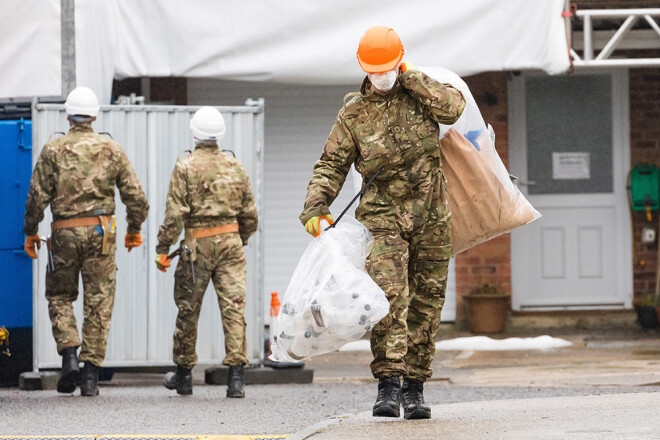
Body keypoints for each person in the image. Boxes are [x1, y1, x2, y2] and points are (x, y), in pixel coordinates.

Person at [300, 26, 466, 419]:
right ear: (364, 69)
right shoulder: (353, 113)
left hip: (431, 219)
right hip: (383, 220)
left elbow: (454, 109)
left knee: (427, 304)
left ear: (400, 61)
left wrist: (412, 77)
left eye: (388, 68)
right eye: (375, 70)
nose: (382, 76)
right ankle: (388, 386)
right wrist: (315, 206)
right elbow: (330, 164)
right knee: (391, 298)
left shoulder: (423, 96)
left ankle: (415, 389)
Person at [23, 86, 149, 396]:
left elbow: (36, 197)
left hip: (64, 232)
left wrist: (30, 231)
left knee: (60, 296)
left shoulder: (53, 149)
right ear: (94, 116)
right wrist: (133, 228)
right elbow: (136, 198)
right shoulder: (111, 149)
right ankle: (91, 375)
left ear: (67, 116)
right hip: (101, 233)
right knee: (99, 301)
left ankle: (69, 356)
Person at [155, 106, 258, 397]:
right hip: (231, 243)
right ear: (220, 135)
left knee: (188, 309)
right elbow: (250, 214)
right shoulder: (235, 166)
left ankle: (184, 376)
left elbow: (174, 214)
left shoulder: (185, 166)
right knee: (234, 309)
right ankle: (236, 379)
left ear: (195, 133)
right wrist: (241, 239)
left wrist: (162, 248)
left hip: (196, 247)